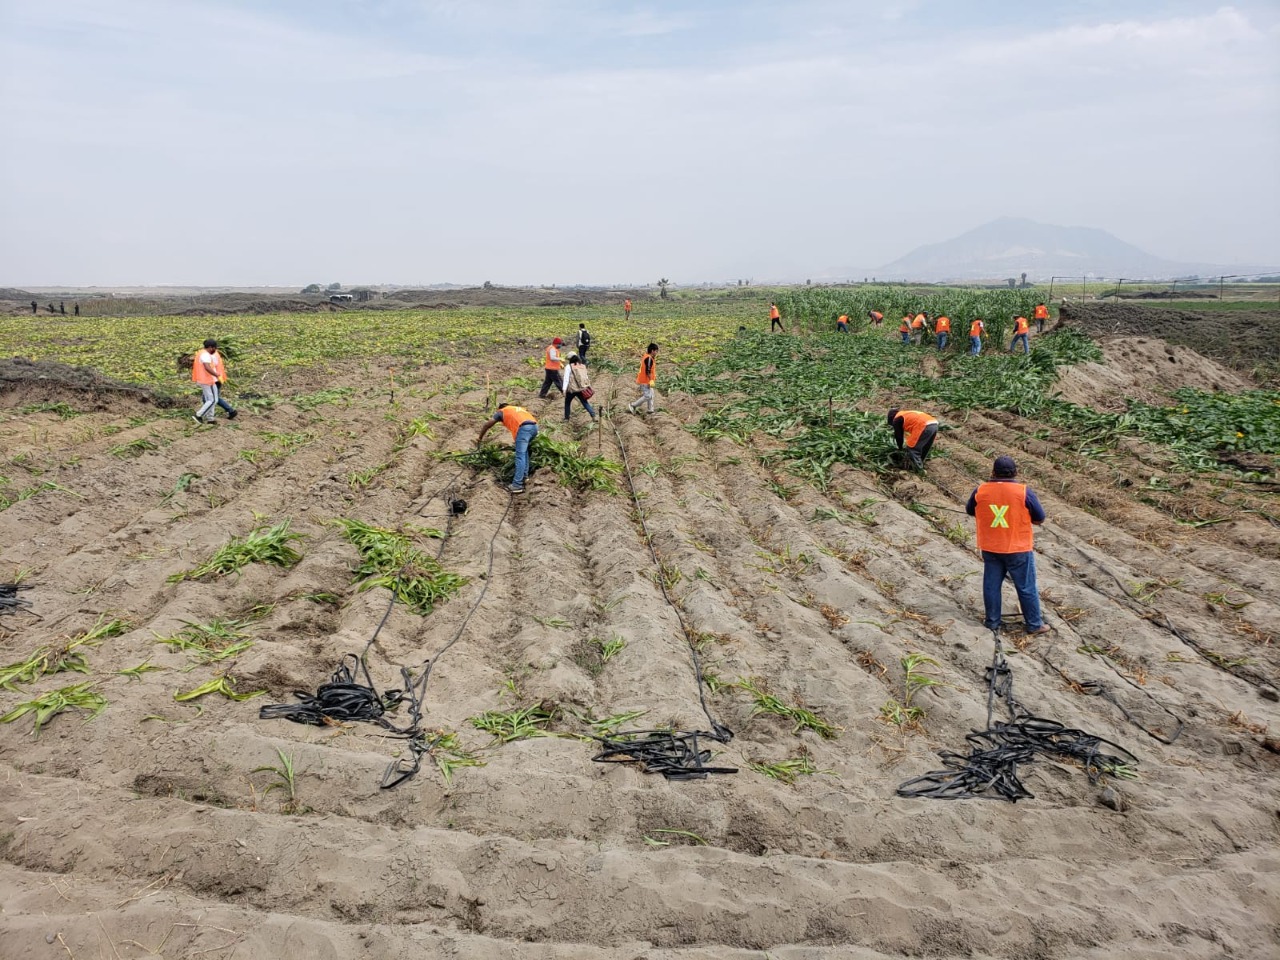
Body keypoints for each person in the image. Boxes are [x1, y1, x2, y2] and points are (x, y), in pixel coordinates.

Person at [966, 455, 1050, 637]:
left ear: (993, 472)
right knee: (1026, 586)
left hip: (990, 546)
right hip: (1017, 547)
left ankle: (992, 622)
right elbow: (1039, 517)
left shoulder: (981, 490)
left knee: (991, 584)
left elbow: (970, 510)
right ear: (1015, 472)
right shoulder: (1023, 491)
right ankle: (1034, 624)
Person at [477, 403, 539, 494]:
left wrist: (479, 438)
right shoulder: (517, 408)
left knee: (520, 456)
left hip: (524, 428)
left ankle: (517, 485)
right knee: (524, 452)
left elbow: (487, 425)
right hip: (534, 427)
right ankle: (524, 477)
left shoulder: (502, 411)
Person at [191, 338, 222, 424]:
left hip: (205, 380)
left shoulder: (201, 353)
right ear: (211, 347)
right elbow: (207, 367)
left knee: (211, 400)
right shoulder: (205, 355)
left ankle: (210, 419)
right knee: (212, 400)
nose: (215, 350)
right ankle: (199, 415)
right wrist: (216, 374)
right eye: (215, 348)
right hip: (208, 380)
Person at [562, 354, 598, 425]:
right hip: (581, 388)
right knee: (585, 402)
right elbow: (586, 376)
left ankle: (566, 419)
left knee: (567, 403)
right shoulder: (582, 366)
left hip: (572, 389)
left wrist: (564, 389)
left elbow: (566, 379)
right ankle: (593, 415)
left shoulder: (569, 367)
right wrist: (588, 386)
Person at [628, 342, 659, 415]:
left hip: (647, 380)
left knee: (651, 394)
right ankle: (633, 405)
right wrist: (651, 380)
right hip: (645, 380)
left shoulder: (649, 357)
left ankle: (650, 410)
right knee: (647, 396)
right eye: (656, 351)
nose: (657, 353)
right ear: (652, 351)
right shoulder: (648, 358)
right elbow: (648, 371)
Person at [211, 344, 238, 420]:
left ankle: (231, 411)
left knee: (211, 398)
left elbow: (209, 366)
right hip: (219, 378)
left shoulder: (211, 355)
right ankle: (230, 411)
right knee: (213, 398)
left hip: (215, 379)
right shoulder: (216, 354)